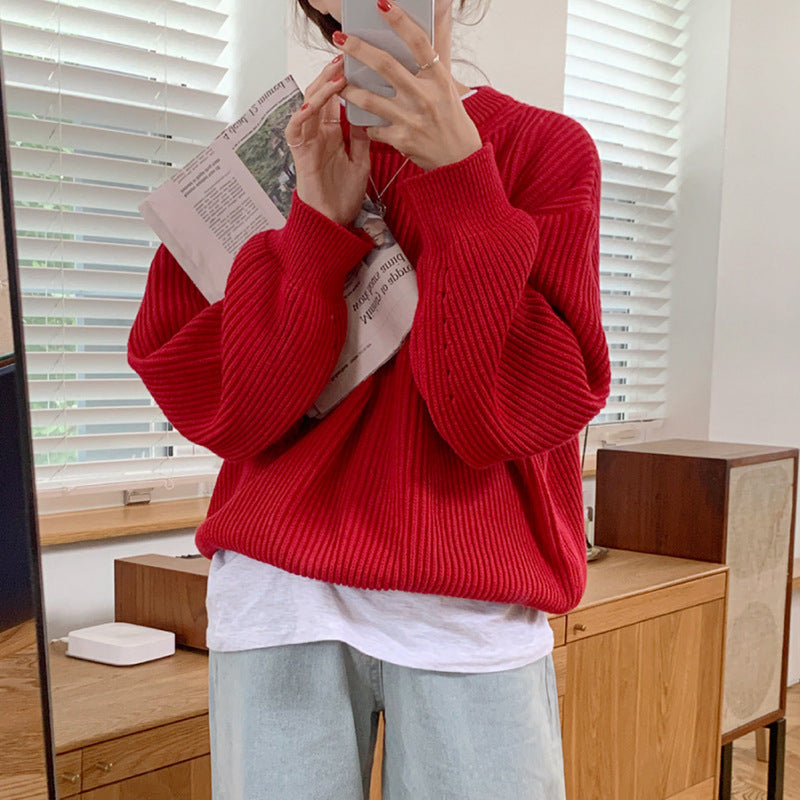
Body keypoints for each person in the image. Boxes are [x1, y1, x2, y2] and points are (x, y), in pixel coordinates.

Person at [127, 1, 611, 797]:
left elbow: (498, 416)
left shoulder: (543, 152)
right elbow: (227, 413)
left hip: (470, 606)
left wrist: (463, 184)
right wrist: (316, 226)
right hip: (279, 598)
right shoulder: (268, 157)